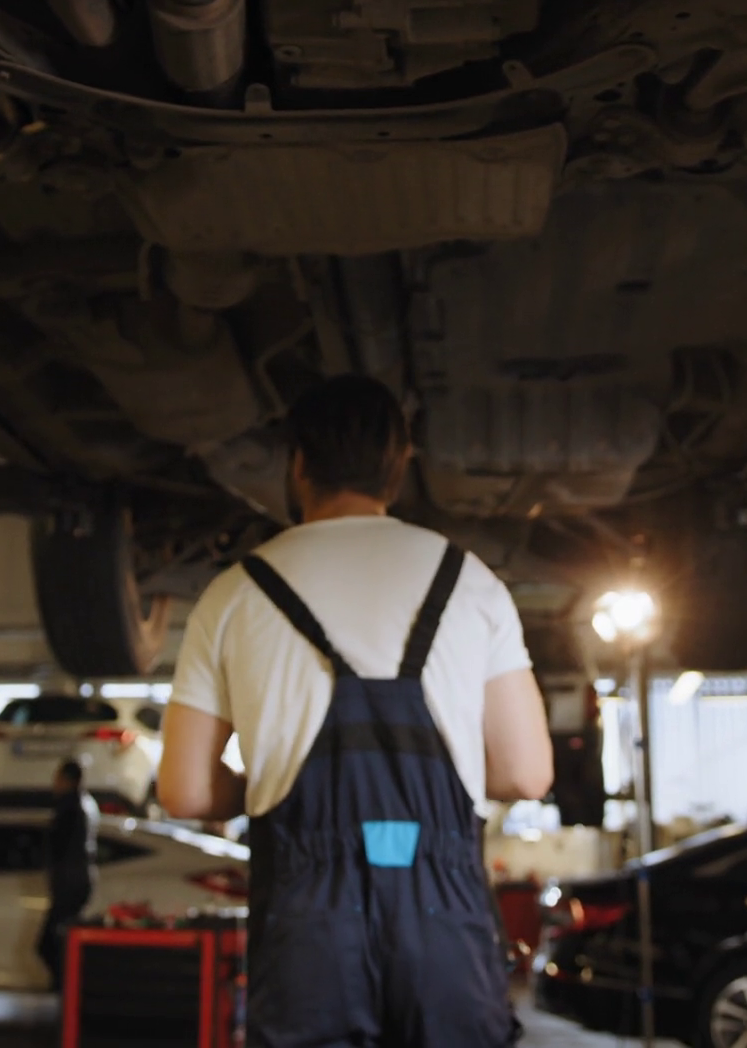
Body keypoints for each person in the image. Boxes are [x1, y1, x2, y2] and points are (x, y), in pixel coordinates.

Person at [159, 374, 555, 1047]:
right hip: (441, 913)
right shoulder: (471, 583)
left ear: (298, 465)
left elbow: (186, 790)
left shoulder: (234, 594)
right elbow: (525, 773)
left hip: (307, 922)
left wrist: (270, 782)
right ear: (399, 465)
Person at [36, 759, 98, 987]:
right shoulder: (85, 805)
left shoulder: (69, 807)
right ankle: (66, 986)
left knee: (51, 943)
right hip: (76, 882)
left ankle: (65, 987)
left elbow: (59, 846)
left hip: (69, 884)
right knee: (57, 941)